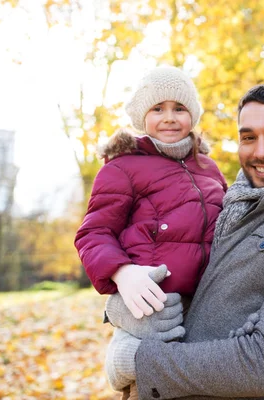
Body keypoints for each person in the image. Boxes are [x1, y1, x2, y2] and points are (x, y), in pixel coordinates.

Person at [104, 82, 264, 399]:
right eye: (248, 137)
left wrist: (139, 359)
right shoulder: (224, 204)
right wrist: (120, 301)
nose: (261, 151)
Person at [74, 66, 227, 398]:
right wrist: (122, 272)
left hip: (203, 305)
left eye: (179, 108)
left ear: (193, 115)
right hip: (150, 303)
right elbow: (94, 233)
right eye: (158, 108)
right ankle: (123, 357)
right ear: (142, 116)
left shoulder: (209, 168)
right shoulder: (123, 167)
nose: (169, 117)